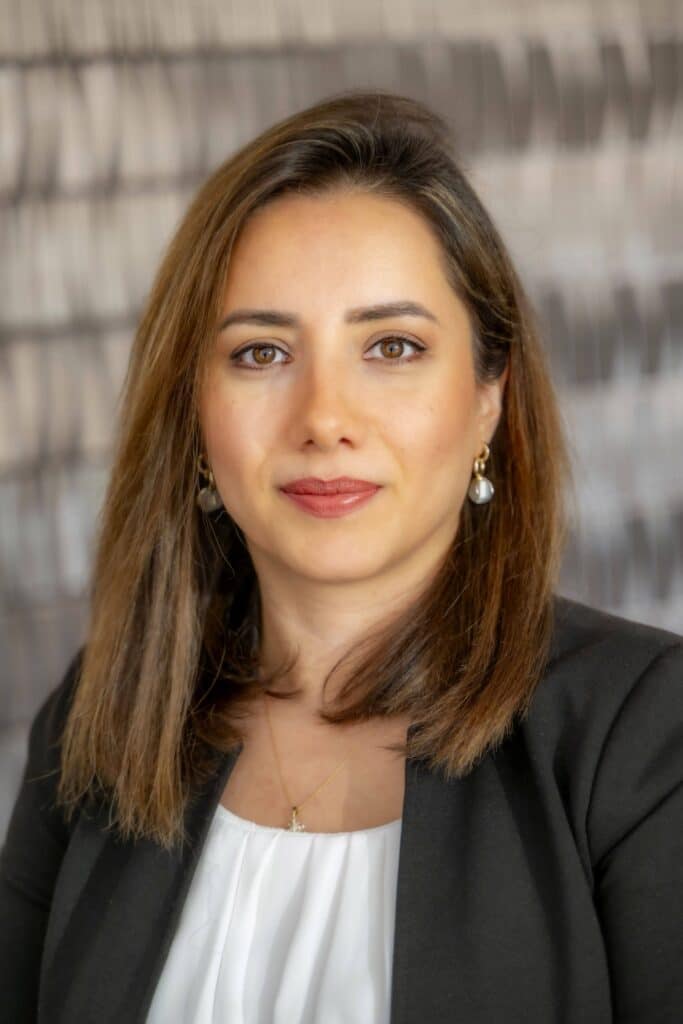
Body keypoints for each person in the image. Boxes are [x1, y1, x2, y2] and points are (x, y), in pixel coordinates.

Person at [1, 89, 681, 1024]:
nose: (324, 418)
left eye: (392, 346)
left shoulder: (645, 730)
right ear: (193, 414)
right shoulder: (99, 717)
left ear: (488, 396)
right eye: (260, 353)